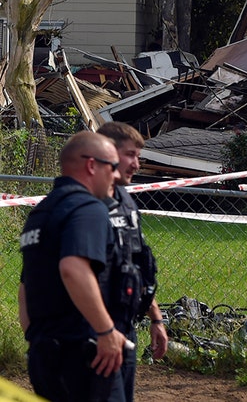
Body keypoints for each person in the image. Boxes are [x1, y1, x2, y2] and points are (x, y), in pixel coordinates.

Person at [19, 131, 129, 401]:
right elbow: (73, 268)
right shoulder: (87, 208)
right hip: (84, 354)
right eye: (112, 167)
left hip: (45, 356)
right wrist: (105, 331)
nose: (116, 175)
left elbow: (25, 287)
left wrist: (36, 340)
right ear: (92, 165)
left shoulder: (41, 212)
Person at [97, 122, 169, 401]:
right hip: (94, 333)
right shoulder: (85, 205)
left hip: (125, 327)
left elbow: (135, 266)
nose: (137, 165)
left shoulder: (126, 200)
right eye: (131, 155)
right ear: (107, 153)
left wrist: (156, 319)